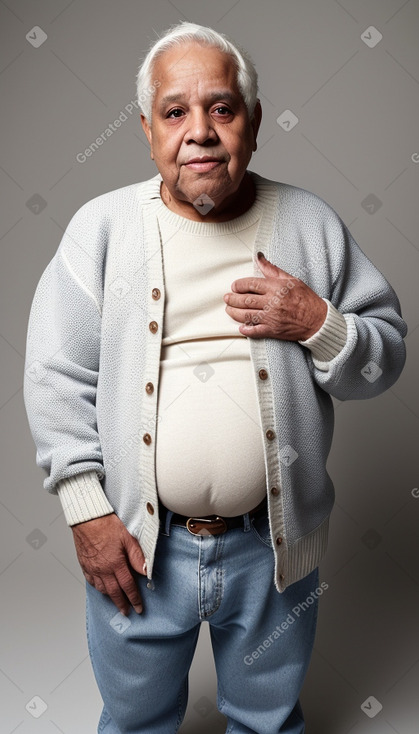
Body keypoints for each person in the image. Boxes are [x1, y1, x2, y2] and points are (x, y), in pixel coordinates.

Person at [23, 20, 407, 734]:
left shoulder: (308, 223)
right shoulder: (101, 229)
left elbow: (383, 361)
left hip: (273, 548)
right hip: (137, 546)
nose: (199, 131)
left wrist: (316, 320)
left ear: (252, 125)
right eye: (176, 111)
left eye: (221, 109)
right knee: (134, 723)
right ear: (147, 129)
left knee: (267, 722)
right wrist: (86, 509)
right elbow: (53, 373)